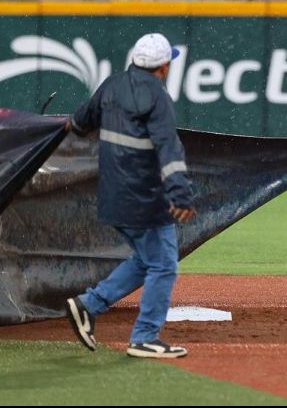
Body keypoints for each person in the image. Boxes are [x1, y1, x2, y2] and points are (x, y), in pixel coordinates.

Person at [64, 33, 195, 358]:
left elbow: (80, 122)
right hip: (144, 198)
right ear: (163, 68)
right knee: (164, 265)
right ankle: (145, 337)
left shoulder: (111, 86)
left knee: (145, 259)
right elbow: (168, 149)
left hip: (112, 195)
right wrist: (180, 194)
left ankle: (88, 304)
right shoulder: (158, 97)